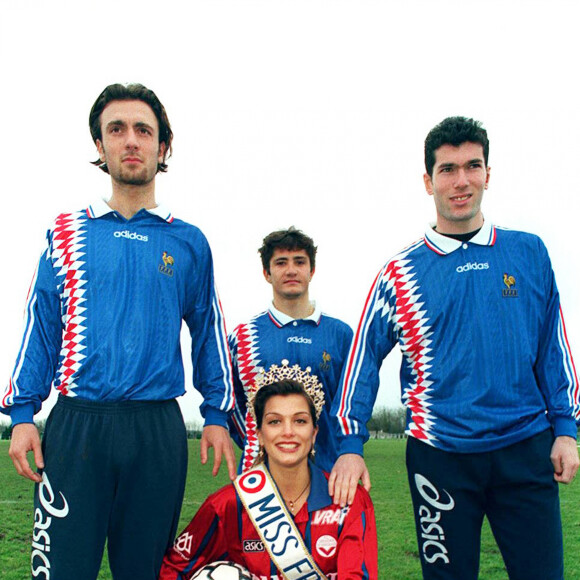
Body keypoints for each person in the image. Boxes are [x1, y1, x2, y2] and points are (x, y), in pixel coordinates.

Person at [1, 83, 236, 580]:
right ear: (99, 146)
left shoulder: (188, 241)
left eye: (143, 130)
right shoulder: (66, 232)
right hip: (77, 426)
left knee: (147, 572)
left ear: (162, 147)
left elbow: (208, 330)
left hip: (155, 432)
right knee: (63, 571)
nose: (131, 140)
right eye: (117, 129)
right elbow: (41, 323)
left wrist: (216, 411)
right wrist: (22, 413)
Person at [329, 117, 580, 579]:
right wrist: (350, 442)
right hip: (440, 460)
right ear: (428, 181)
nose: (461, 180)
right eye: (447, 169)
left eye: (472, 166)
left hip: (525, 447)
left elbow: (552, 348)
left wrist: (566, 426)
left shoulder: (528, 253)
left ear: (488, 173)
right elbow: (362, 360)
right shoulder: (400, 273)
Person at [160, 361, 378, 579]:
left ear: (313, 434)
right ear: (260, 436)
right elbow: (173, 569)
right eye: (274, 422)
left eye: (300, 421)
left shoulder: (348, 501)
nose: (288, 432)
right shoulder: (228, 505)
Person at [228, 227, 354, 473]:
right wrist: (261, 443)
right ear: (267, 273)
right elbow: (232, 406)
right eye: (281, 262)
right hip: (262, 478)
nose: (291, 270)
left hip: (328, 471)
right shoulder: (243, 337)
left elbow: (350, 404)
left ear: (312, 270)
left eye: (299, 262)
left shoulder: (341, 335)